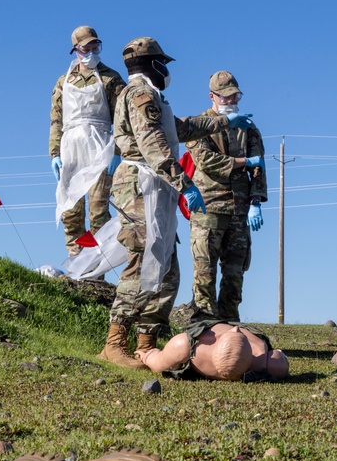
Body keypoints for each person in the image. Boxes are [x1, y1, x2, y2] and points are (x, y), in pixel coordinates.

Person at [98, 37, 254, 370]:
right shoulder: (140, 96)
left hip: (156, 186)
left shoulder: (154, 97)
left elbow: (181, 128)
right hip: (140, 186)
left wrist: (224, 121)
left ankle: (145, 342)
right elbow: (154, 147)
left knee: (166, 268)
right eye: (163, 63)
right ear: (152, 64)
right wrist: (185, 185)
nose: (167, 70)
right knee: (142, 260)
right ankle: (115, 343)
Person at [184, 71, 268, 322]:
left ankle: (230, 324)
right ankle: (204, 326)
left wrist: (255, 201)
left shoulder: (248, 128)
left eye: (235, 96)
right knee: (205, 271)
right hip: (209, 208)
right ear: (212, 96)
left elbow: (259, 166)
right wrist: (243, 162)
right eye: (226, 97)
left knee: (235, 274)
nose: (231, 101)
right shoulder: (199, 125)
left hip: (239, 210)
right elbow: (206, 160)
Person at [50, 25, 127, 258]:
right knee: (70, 209)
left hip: (100, 146)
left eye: (95, 47)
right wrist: (54, 154)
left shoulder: (111, 78)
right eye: (86, 48)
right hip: (70, 148)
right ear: (76, 49)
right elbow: (56, 119)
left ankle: (96, 267)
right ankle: (76, 261)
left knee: (98, 210)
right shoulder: (63, 81)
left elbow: (123, 118)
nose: (92, 52)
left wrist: (117, 151)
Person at [135, 321, 289, 381]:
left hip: (198, 349)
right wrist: (146, 356)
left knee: (277, 365)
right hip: (204, 334)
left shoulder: (184, 346)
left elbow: (158, 363)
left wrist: (145, 356)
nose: (235, 329)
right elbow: (159, 361)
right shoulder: (261, 354)